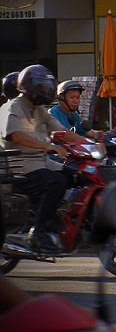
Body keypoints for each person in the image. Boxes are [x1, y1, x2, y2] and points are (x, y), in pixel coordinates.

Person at [0, 65, 81, 253]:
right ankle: (38, 230)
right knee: (57, 182)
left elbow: (62, 130)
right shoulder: (13, 108)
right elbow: (15, 135)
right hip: (21, 165)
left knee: (78, 177)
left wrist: (90, 143)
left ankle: (69, 222)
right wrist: (48, 146)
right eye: (41, 87)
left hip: (42, 163)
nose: (45, 91)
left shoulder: (39, 109)